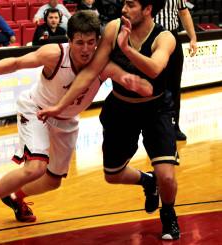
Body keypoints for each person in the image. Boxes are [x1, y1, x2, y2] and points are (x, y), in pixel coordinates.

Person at [0, 10, 153, 236]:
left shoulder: (103, 65)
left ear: (98, 41)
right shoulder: (55, 54)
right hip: (37, 110)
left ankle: (14, 196)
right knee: (36, 167)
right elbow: (17, 63)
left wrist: (135, 83)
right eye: (80, 42)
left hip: (66, 120)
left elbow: (144, 87)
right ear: (69, 40)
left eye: (91, 42)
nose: (86, 49)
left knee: (53, 181)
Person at [37, 0, 181, 241]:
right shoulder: (114, 28)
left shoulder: (164, 37)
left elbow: (155, 69)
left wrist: (126, 50)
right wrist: (60, 106)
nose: (123, 9)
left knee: (167, 174)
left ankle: (168, 213)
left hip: (155, 109)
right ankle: (148, 181)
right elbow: (91, 71)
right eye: (124, 3)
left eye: (131, 4)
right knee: (112, 174)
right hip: (121, 107)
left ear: (147, 10)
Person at [154, 0, 197, 141]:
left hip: (173, 36)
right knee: (155, 85)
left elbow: (183, 12)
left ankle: (174, 126)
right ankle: (153, 127)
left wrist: (193, 38)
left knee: (174, 85)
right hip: (153, 37)